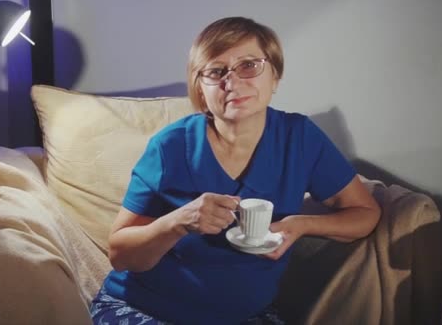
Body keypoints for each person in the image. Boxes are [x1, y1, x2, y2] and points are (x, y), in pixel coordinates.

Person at [90, 16, 381, 325]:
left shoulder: (300, 138)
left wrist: (302, 225)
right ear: (201, 89)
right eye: (216, 72)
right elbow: (120, 254)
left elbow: (365, 213)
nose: (232, 82)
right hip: (145, 307)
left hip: (246, 316)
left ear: (275, 76)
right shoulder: (169, 147)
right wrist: (178, 222)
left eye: (249, 66)